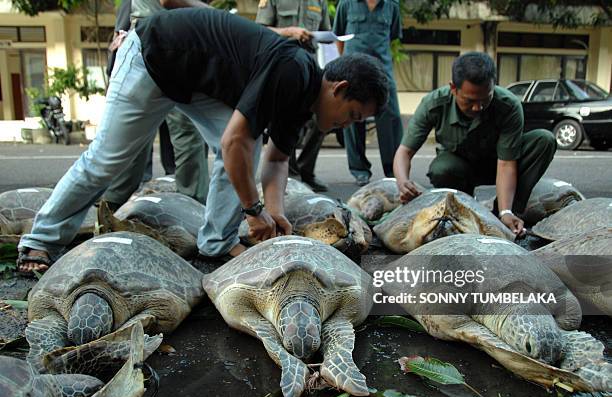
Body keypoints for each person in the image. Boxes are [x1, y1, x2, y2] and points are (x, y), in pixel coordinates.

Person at [17, 8, 389, 273]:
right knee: (108, 159)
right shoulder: (293, 69)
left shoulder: (302, 100)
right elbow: (233, 142)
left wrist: (274, 214)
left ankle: (217, 241)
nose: (346, 126)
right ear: (338, 89)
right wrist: (253, 210)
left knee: (248, 148)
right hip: (154, 55)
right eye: (353, 115)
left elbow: (276, 161)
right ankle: (41, 237)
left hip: (195, 82)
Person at [393, 52, 556, 236]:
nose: (478, 107)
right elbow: (404, 152)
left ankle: (507, 214)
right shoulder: (434, 104)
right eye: (470, 101)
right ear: (453, 88)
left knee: (544, 140)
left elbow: (506, 164)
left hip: (497, 165)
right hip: (459, 169)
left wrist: (505, 211)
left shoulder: (508, 105)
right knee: (442, 168)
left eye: (485, 98)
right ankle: (462, 210)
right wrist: (402, 182)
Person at [102, 0, 211, 208]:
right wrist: (214, 15)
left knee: (140, 133)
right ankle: (194, 205)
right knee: (176, 133)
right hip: (160, 37)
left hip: (163, 36)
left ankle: (112, 204)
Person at [256, 0, 331, 191]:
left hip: (311, 68)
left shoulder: (319, 2)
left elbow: (327, 34)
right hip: (283, 65)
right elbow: (260, 30)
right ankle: (291, 175)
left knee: (321, 119)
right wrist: (289, 31)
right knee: (285, 119)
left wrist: (321, 36)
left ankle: (306, 169)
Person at [333, 0, 403, 186]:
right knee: (353, 116)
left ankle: (392, 170)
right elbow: (339, 36)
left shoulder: (392, 5)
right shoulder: (346, 3)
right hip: (353, 70)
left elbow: (392, 36)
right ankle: (360, 170)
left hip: (383, 70)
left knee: (391, 116)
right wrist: (344, 62)